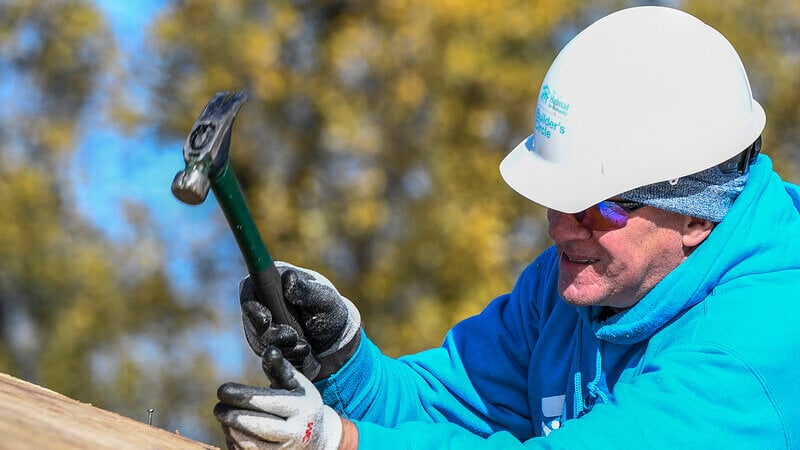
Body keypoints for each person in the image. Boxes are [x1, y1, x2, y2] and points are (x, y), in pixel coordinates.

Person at [212, 6, 800, 449]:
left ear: (697, 214)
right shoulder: (581, 281)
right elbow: (447, 404)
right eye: (556, 199)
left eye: (601, 208)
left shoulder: (754, 350)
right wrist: (342, 362)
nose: (565, 230)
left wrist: (339, 441)